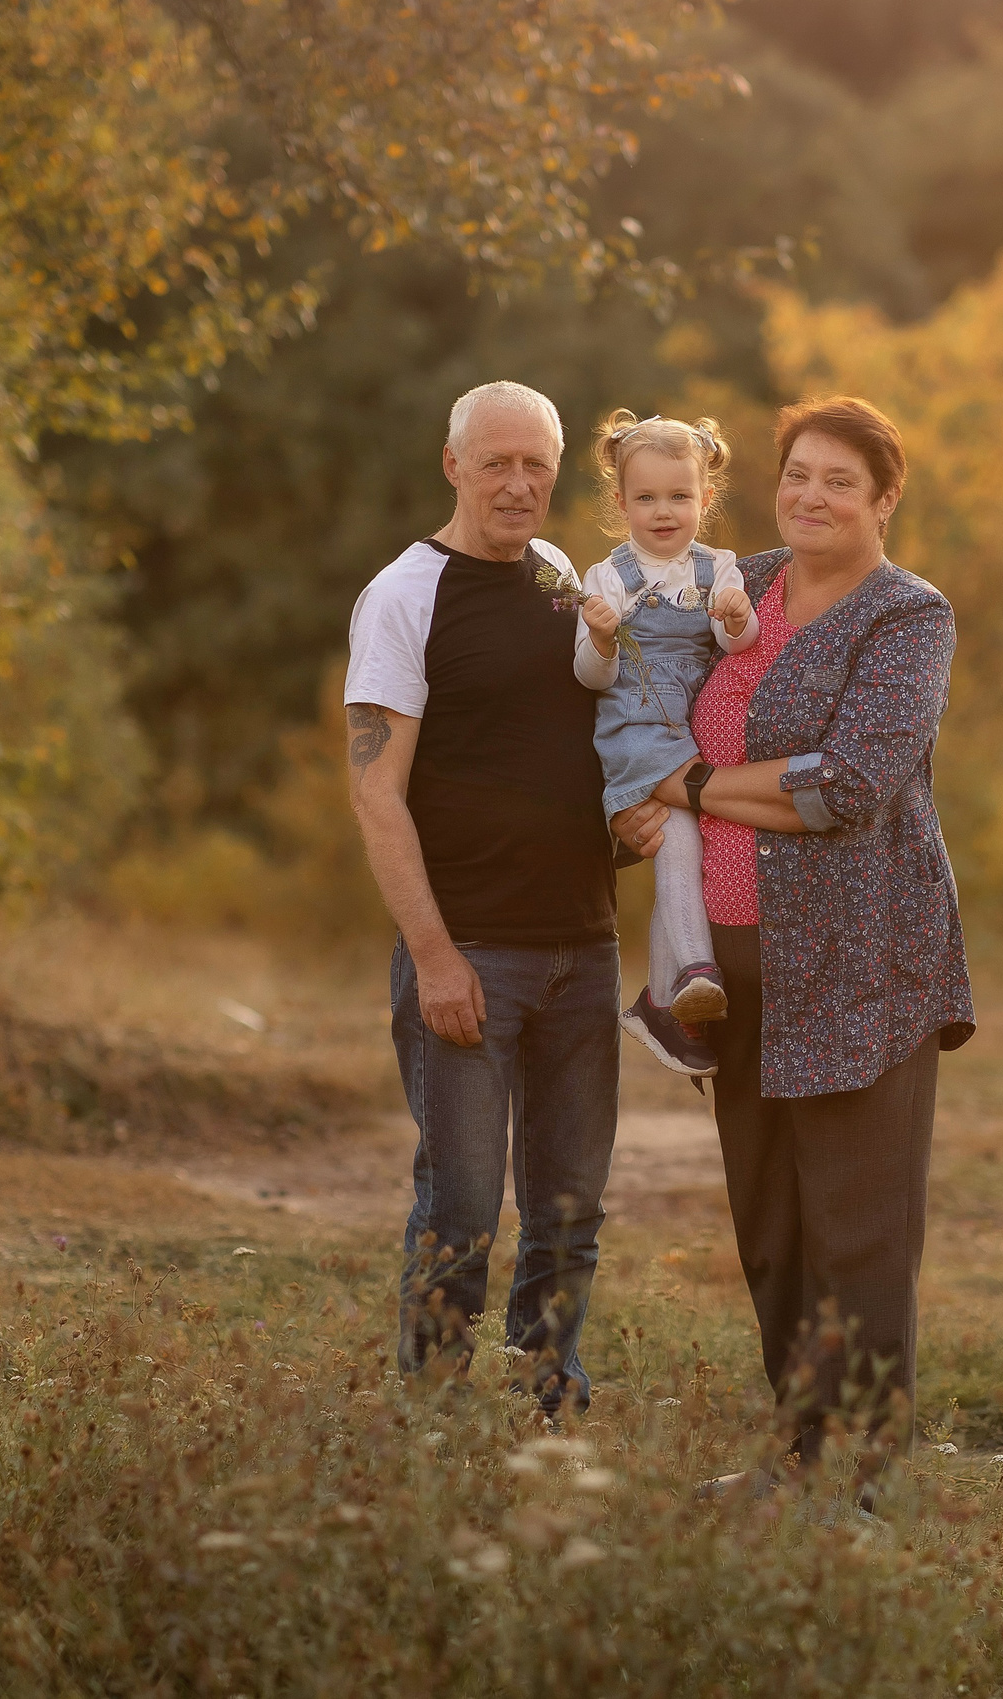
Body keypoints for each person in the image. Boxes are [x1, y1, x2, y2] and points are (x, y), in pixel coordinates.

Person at [613, 395, 975, 1490]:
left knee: (856, 1234)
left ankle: (858, 1482)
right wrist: (642, 791)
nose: (813, 495)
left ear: (883, 499)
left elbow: (849, 785)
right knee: (771, 1228)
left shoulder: (906, 617)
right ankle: (798, 1457)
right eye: (800, 474)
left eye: (841, 482)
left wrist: (697, 786)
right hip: (729, 966)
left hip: (863, 965)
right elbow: (647, 693)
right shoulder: (741, 583)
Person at [343, 379, 619, 1418]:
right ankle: (436, 1407)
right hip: (471, 954)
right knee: (460, 1207)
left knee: (568, 1208)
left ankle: (547, 1390)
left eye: (535, 464)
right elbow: (377, 796)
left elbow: (569, 744)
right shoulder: (404, 595)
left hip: (581, 947)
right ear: (452, 465)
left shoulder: (557, 578)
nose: (517, 483)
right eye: (495, 461)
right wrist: (435, 953)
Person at [571, 410, 760, 1080]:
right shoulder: (608, 578)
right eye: (645, 497)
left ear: (705, 500)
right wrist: (597, 638)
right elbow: (592, 677)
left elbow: (739, 642)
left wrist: (739, 618)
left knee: (693, 839)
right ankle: (694, 969)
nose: (662, 511)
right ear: (620, 502)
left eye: (679, 496)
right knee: (679, 838)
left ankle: (661, 997)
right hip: (639, 729)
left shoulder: (720, 568)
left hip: (696, 730)